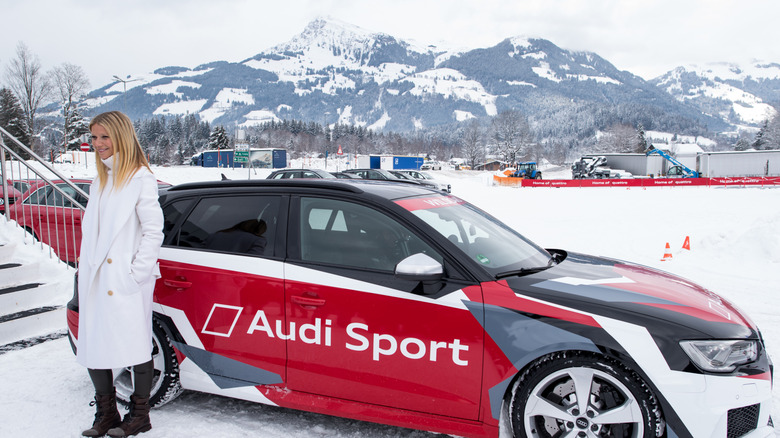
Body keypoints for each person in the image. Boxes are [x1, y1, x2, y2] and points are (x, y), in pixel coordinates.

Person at [77, 111, 164, 437]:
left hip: (124, 279)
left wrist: (135, 274)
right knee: (93, 344)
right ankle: (107, 414)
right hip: (97, 277)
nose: (98, 144)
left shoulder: (140, 177)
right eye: (94, 137)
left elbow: (154, 231)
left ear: (121, 137)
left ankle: (139, 415)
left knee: (135, 347)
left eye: (104, 137)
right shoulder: (101, 178)